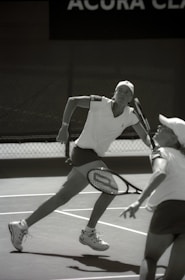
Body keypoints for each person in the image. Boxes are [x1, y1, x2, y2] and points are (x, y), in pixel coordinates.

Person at [8, 80, 150, 252]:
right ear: (114, 92)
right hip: (82, 153)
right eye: (120, 91)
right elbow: (72, 101)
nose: (123, 94)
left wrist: (154, 146)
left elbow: (144, 136)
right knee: (111, 189)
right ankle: (88, 233)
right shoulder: (99, 102)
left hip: (92, 156)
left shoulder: (130, 114)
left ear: (131, 97)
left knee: (62, 197)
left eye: (127, 93)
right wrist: (64, 128)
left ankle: (21, 226)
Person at [121, 114, 185, 280]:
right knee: (174, 277)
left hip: (169, 211)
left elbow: (160, 173)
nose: (159, 127)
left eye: (164, 127)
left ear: (174, 137)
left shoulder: (161, 152)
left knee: (150, 258)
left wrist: (138, 201)